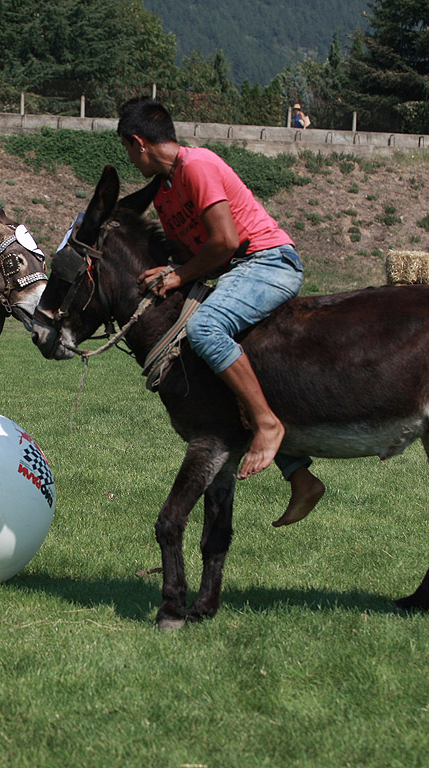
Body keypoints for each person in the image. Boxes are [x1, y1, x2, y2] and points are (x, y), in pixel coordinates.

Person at [117, 97, 324, 527]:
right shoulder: (166, 191)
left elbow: (226, 241)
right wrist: (172, 269)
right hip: (238, 273)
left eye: (126, 150)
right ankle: (300, 476)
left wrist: (176, 278)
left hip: (268, 262)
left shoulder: (198, 166)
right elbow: (197, 250)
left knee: (207, 328)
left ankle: (268, 425)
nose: (129, 159)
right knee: (218, 368)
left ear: (138, 142)